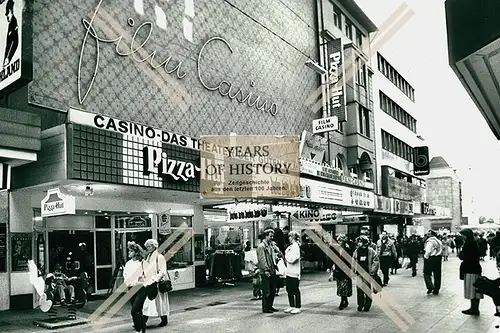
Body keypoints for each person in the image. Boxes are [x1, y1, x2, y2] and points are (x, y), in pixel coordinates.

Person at [142, 239, 170, 328]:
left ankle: (164, 319)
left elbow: (162, 271)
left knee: (159, 302)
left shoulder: (159, 257)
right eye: (147, 247)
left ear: (154, 247)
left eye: (149, 246)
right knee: (147, 302)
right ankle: (143, 321)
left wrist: (156, 279)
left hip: (156, 283)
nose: (148, 248)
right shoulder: (148, 257)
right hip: (149, 283)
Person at [459, 228, 483, 316]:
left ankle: (474, 309)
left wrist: (461, 255)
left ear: (466, 235)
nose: (462, 237)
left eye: (463, 235)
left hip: (471, 269)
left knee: (473, 289)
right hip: (474, 268)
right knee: (475, 289)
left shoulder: (469, 244)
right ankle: (474, 308)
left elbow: (467, 256)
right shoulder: (473, 243)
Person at [123, 242, 146, 331]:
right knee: (137, 310)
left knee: (135, 310)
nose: (129, 253)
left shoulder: (142, 263)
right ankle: (142, 329)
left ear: (136, 252)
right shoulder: (128, 263)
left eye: (131, 251)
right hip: (130, 288)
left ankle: (138, 329)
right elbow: (125, 274)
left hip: (140, 288)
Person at [352, 236, 379, 312]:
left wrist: (372, 271)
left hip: (367, 272)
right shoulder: (356, 251)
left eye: (360, 242)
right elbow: (353, 262)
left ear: (364, 242)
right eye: (358, 242)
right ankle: (360, 304)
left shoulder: (371, 251)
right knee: (359, 289)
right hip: (359, 273)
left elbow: (376, 261)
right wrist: (353, 271)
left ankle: (367, 304)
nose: (358, 243)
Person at [256, 228, 278, 313]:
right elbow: (262, 259)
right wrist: (266, 269)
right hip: (266, 271)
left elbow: (272, 257)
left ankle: (270, 306)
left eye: (272, 236)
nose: (272, 237)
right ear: (266, 236)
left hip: (272, 270)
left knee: (273, 290)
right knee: (266, 291)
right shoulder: (261, 246)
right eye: (270, 236)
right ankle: (265, 308)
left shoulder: (270, 245)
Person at [330, 234, 353, 310]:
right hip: (338, 269)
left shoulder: (347, 248)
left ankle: (343, 301)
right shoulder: (336, 248)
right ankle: (344, 300)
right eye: (338, 240)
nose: (339, 242)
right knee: (340, 285)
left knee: (345, 285)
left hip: (345, 269)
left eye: (341, 240)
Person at [284, 230, 301, 314]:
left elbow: (293, 259)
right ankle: (292, 305)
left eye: (290, 236)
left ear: (293, 237)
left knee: (295, 290)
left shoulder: (296, 247)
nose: (288, 238)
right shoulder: (291, 246)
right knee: (289, 289)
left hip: (294, 272)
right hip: (289, 271)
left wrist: (286, 256)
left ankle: (298, 306)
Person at [423, 230, 443, 295]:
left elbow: (428, 251)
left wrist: (425, 257)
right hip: (438, 258)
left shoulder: (430, 242)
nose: (427, 235)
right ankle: (436, 289)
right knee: (437, 274)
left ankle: (430, 286)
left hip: (430, 258)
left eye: (428, 234)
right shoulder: (439, 241)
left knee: (426, 273)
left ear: (431, 235)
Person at [3, 0, 18, 67]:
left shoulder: (14, 22)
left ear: (10, 11)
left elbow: (14, 42)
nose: (7, 17)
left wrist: (8, 57)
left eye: (7, 14)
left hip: (10, 57)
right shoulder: (10, 24)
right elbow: (8, 44)